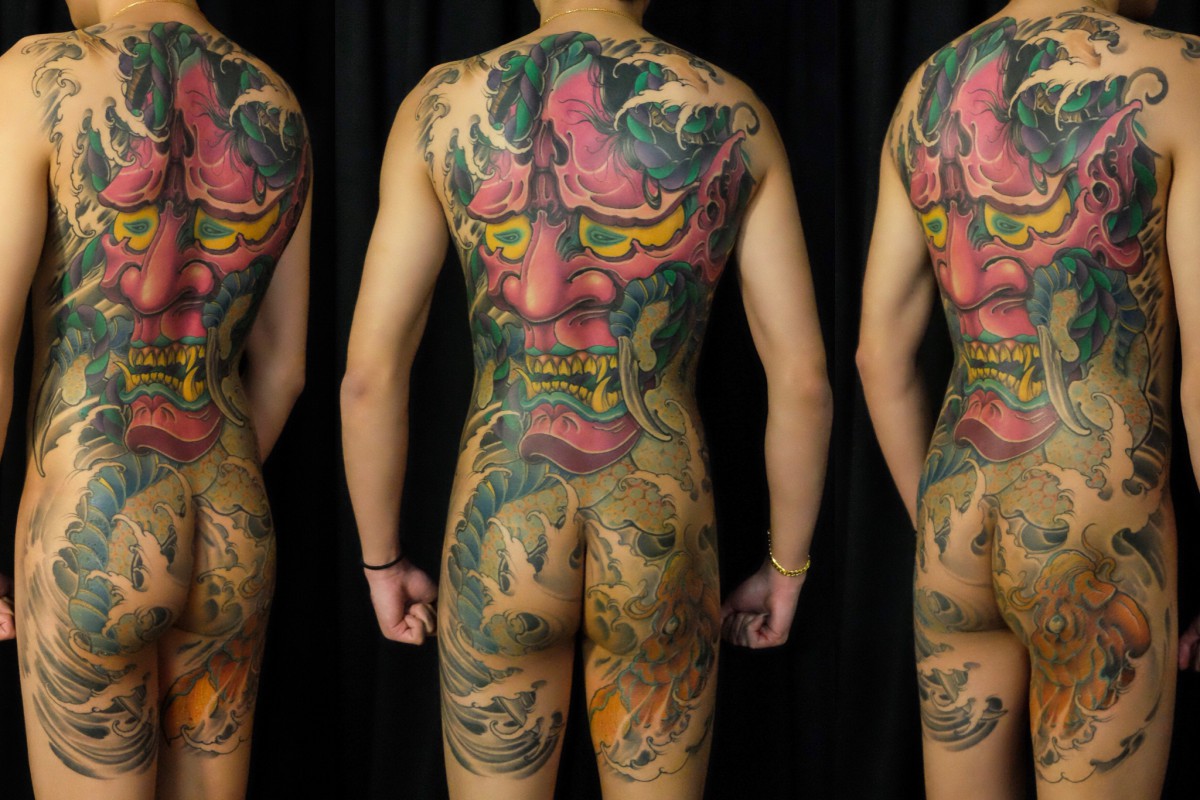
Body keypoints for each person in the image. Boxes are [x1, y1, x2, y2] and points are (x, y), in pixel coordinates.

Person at [341, 0, 830, 797]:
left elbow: (370, 373)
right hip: (661, 526)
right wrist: (787, 567)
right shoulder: (731, 112)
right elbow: (803, 380)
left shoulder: (442, 105)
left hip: (502, 528)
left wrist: (381, 561)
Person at [859, 0, 1200, 797]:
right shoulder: (1179, 73)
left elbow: (879, 357)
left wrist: (934, 531)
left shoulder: (928, 91)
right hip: (1094, 522)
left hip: (956, 519)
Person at [0, 1, 311, 797]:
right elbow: (284, 370)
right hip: (231, 522)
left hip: (94, 523)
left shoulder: (41, 76)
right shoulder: (275, 102)